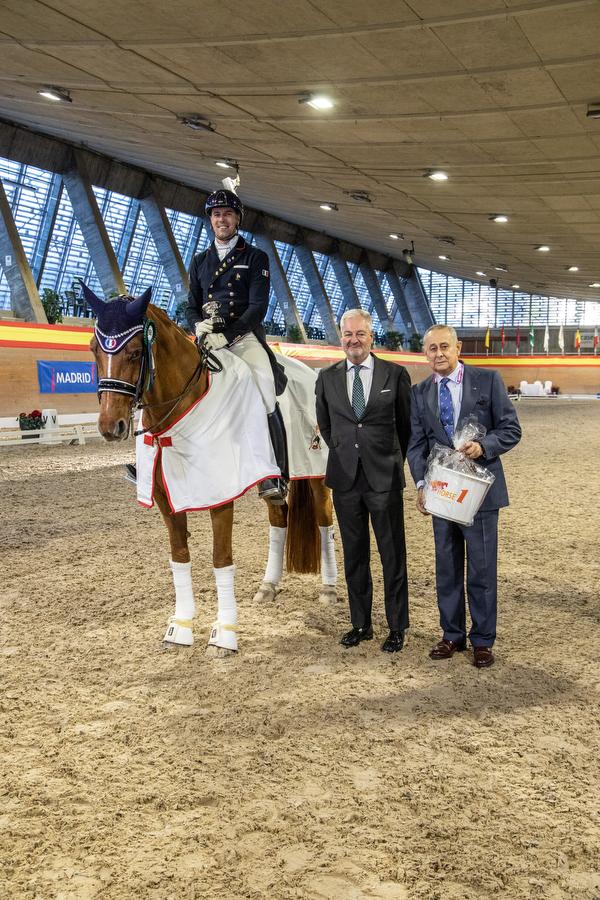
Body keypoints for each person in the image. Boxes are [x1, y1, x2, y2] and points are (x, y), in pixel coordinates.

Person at [407, 324, 521, 668]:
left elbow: (511, 429)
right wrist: (421, 485)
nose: (439, 353)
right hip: (442, 493)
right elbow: (416, 445)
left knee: (482, 569)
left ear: (457, 348)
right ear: (425, 354)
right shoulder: (420, 392)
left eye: (445, 346)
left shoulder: (488, 380)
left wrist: (483, 446)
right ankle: (451, 634)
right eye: (432, 349)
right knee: (447, 567)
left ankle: (483, 640)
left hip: (481, 493)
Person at [315, 309, 412, 652]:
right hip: (345, 480)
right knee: (355, 556)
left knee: (391, 555)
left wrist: (389, 461)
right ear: (340, 336)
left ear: (371, 337)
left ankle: (397, 627)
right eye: (347, 334)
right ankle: (361, 624)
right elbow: (327, 427)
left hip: (384, 478)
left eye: (360, 334)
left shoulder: (395, 374)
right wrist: (347, 454)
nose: (353, 340)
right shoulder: (326, 377)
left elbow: (406, 427)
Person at [186, 189, 287, 503]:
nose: (221, 219)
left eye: (227, 214)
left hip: (242, 340)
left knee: (265, 386)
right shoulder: (200, 260)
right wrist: (196, 325)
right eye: (216, 215)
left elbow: (258, 306)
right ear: (211, 220)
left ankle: (274, 474)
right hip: (208, 341)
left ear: (237, 219)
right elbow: (191, 305)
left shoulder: (254, 257)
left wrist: (228, 336)